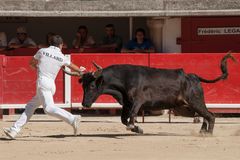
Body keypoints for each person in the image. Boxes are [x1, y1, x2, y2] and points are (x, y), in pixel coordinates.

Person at [3, 35, 85, 139]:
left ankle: (72, 119)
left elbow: (31, 63)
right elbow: (73, 66)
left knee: (48, 109)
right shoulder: (62, 57)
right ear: (61, 45)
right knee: (30, 106)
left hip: (43, 83)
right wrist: (81, 71)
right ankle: (14, 130)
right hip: (51, 85)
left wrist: (36, 66)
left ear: (50, 43)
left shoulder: (42, 51)